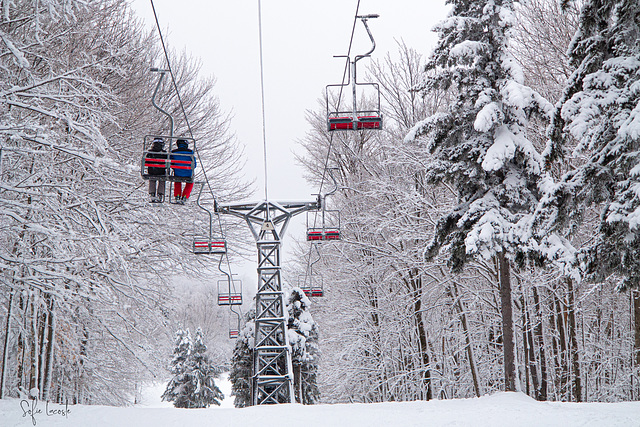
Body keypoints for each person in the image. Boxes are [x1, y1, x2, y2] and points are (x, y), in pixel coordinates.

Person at [171, 138, 196, 204]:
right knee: (190, 182)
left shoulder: (173, 152)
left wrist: (175, 168)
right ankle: (185, 196)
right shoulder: (190, 152)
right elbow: (194, 165)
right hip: (188, 173)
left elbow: (170, 163)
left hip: (178, 173)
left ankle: (177, 196)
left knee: (177, 181)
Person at [146, 137, 167, 203]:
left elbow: (146, 162)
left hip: (152, 171)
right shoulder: (164, 153)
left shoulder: (150, 152)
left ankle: (152, 194)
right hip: (161, 171)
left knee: (152, 180)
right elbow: (167, 163)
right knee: (162, 180)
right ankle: (160, 194)